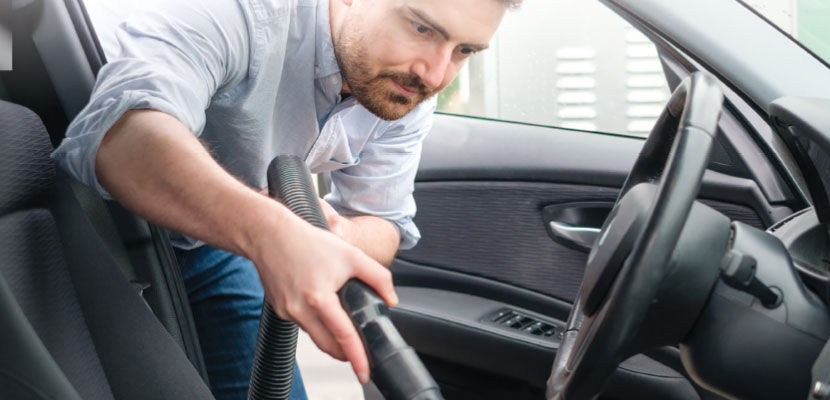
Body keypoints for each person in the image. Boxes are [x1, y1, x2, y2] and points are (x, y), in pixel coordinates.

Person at [52, 0, 519, 398]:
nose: (436, 73)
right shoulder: (242, 13)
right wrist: (273, 232)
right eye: (422, 28)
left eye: (464, 51)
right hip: (87, 221)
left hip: (217, 243)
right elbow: (125, 136)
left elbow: (385, 224)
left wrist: (329, 232)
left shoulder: (405, 85)